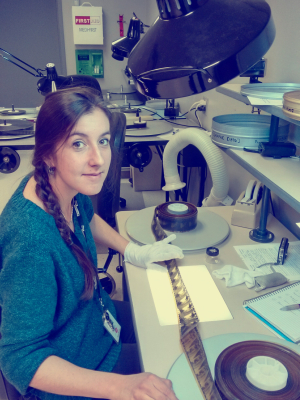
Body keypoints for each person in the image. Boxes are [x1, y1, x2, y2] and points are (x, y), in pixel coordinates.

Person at [0, 87, 184, 400]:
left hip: (95, 319)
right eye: (78, 143)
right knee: (173, 376)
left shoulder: (59, 184)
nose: (98, 160)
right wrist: (120, 386)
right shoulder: (30, 240)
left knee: (167, 321)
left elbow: (86, 216)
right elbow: (20, 358)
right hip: (74, 371)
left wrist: (132, 250)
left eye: (103, 141)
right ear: (46, 153)